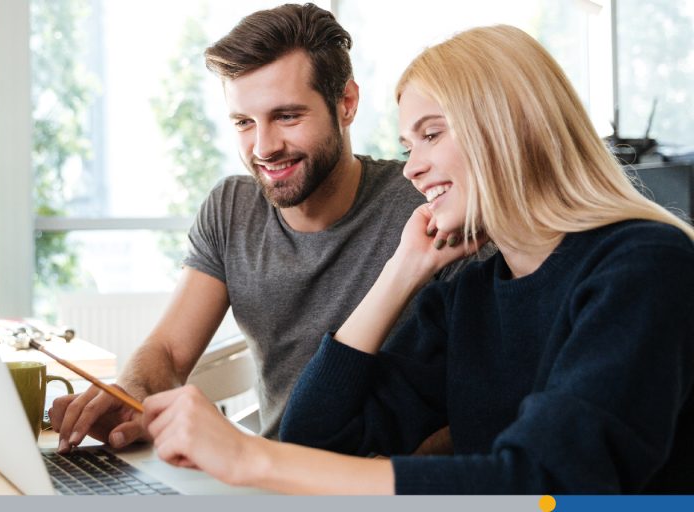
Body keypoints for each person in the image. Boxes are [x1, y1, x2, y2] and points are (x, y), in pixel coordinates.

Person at [139, 24, 694, 494]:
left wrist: (251, 459)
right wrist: (401, 271)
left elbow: (546, 484)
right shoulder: (469, 295)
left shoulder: (643, 264)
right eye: (409, 146)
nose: (412, 168)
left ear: (511, 127)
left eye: (431, 135)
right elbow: (316, 438)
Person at [49, 4, 469, 451]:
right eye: (244, 122)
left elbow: (475, 410)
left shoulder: (428, 204)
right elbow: (169, 351)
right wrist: (131, 391)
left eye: (287, 116)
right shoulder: (232, 208)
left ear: (346, 104)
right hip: (263, 475)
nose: (264, 147)